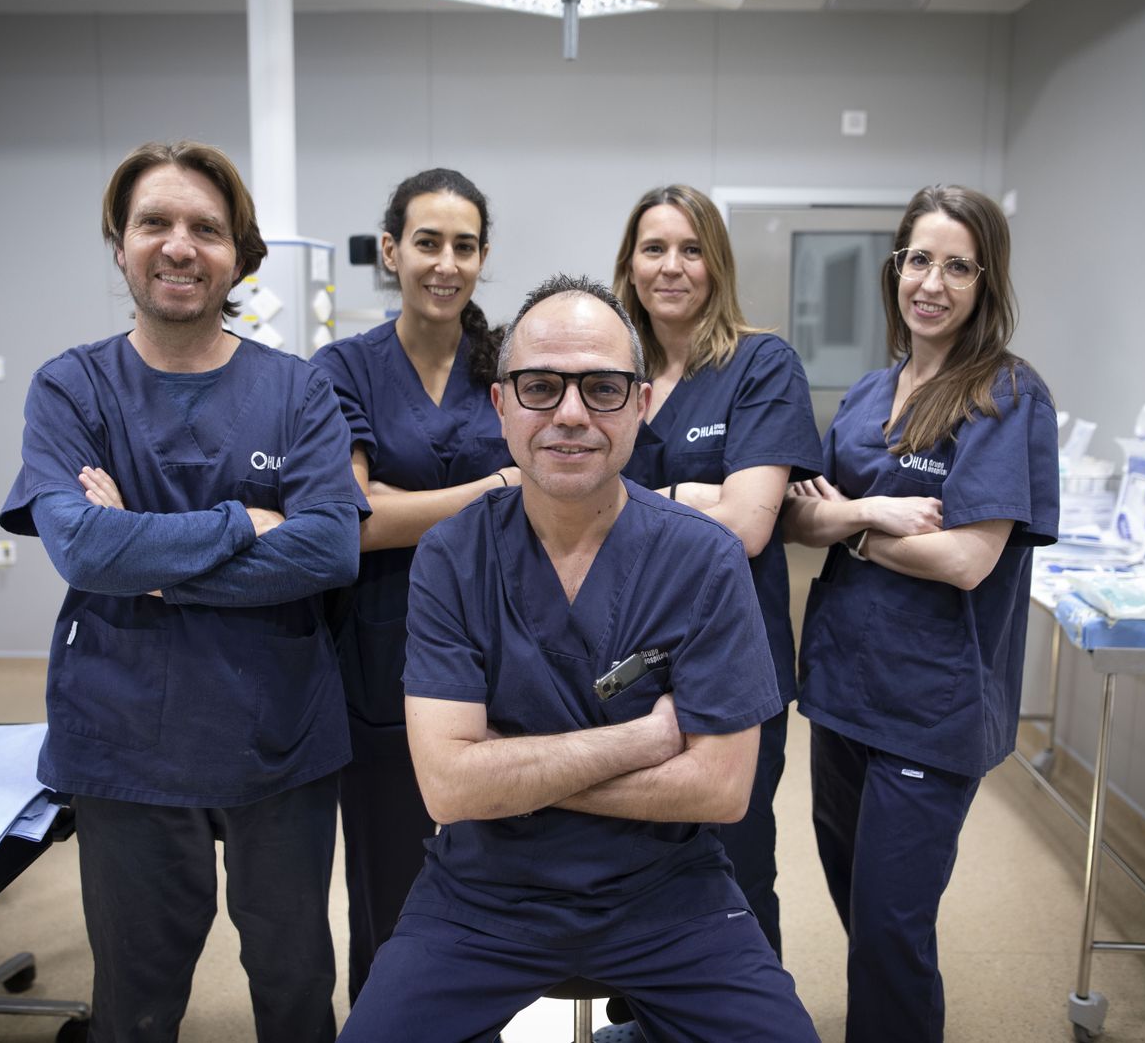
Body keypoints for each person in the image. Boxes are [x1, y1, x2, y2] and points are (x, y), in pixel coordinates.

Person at [337, 274, 820, 1043]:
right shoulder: (452, 557)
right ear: (502, 407)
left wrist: (509, 775)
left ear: (641, 405)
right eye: (539, 387)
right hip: (485, 891)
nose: (569, 414)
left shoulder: (704, 559)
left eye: (601, 387)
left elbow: (723, 789)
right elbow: (447, 789)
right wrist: (645, 740)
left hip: (667, 892)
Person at [0, 140, 369, 1043]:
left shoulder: (298, 391)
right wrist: (242, 521)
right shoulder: (72, 387)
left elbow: (330, 550)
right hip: (126, 735)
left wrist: (154, 566)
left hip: (272, 731)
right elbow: (84, 547)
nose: (178, 245)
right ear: (118, 245)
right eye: (153, 223)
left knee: (293, 981)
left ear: (238, 254)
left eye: (206, 228)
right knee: (136, 993)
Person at [781, 184, 1059, 1043]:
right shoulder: (870, 393)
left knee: (893, 931)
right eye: (919, 260)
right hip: (843, 692)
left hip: (929, 707)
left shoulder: (1005, 395)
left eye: (958, 266)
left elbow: (967, 561)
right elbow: (799, 516)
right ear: (894, 268)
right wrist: (877, 514)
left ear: (986, 281)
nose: (932, 283)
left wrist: (854, 528)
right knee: (857, 902)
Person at [312, 168, 516, 1001]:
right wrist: (492, 492)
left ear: (483, 257)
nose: (445, 263)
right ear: (391, 250)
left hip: (506, 650)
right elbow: (352, 520)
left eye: (464, 246)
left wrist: (407, 503)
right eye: (426, 242)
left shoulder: (511, 362)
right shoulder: (343, 369)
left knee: (503, 879)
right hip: (380, 654)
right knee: (389, 887)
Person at [612, 184, 821, 958]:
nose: (673, 267)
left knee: (733, 860)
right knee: (633, 857)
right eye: (654, 248)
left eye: (692, 249)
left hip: (733, 661)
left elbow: (748, 526)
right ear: (629, 266)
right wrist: (696, 497)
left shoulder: (761, 364)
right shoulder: (610, 370)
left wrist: (645, 499)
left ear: (718, 264)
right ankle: (644, 1018)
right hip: (623, 662)